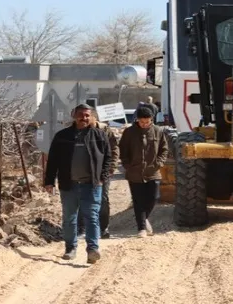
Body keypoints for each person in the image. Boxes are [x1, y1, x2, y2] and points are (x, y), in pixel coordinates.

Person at [43, 103, 111, 263]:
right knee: (69, 218)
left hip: (92, 185)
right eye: (81, 115)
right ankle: (70, 248)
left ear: (91, 117)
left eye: (87, 115)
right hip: (69, 184)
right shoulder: (62, 136)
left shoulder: (99, 135)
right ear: (74, 115)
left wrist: (103, 177)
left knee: (92, 217)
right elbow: (53, 160)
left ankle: (93, 249)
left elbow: (108, 158)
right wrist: (49, 181)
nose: (84, 118)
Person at [118, 105, 169, 237]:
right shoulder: (129, 132)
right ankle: (141, 228)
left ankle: (144, 219)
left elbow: (164, 149)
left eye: (147, 122)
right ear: (137, 120)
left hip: (153, 171)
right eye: (142, 122)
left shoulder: (158, 131)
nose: (145, 124)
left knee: (154, 197)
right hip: (134, 172)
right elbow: (122, 150)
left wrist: (159, 163)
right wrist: (127, 165)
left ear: (151, 119)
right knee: (138, 201)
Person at [76, 110, 119, 238]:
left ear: (94, 118)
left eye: (88, 117)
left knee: (103, 199)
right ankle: (82, 228)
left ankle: (103, 228)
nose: (85, 119)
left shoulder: (105, 130)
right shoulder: (78, 130)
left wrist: (111, 167)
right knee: (82, 198)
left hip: (102, 171)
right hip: (83, 171)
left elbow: (114, 149)